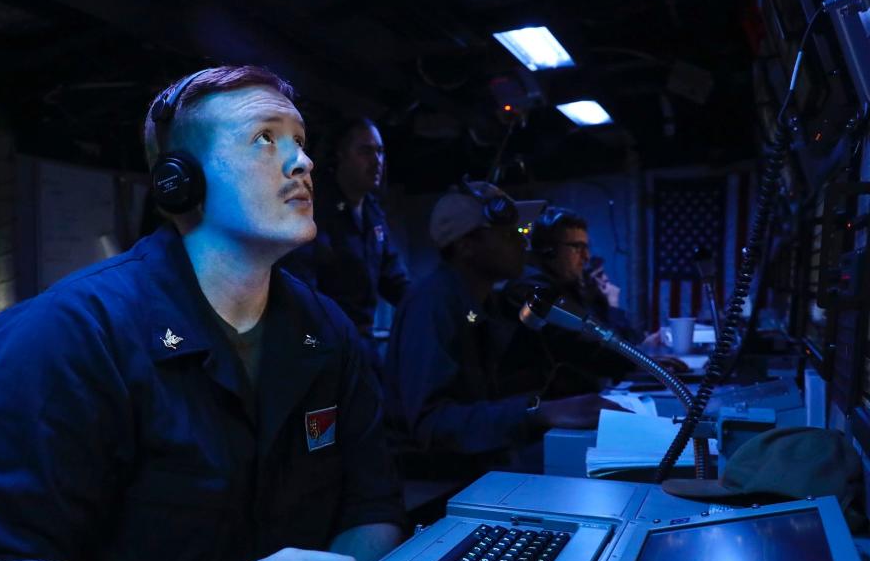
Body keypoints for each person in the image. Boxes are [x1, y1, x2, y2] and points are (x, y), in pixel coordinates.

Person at [0, 66, 405, 561]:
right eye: (265, 139)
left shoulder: (329, 331)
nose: (302, 163)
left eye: (301, 141)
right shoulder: (65, 333)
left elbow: (373, 508)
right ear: (180, 183)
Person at [383, 181, 624, 482]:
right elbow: (432, 424)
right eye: (509, 235)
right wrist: (538, 412)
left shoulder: (487, 303)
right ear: (466, 245)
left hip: (479, 465)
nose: (523, 244)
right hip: (433, 483)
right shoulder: (432, 304)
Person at [503, 207, 683, 393]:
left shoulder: (569, 287)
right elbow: (576, 346)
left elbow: (606, 334)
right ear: (549, 250)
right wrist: (638, 361)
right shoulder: (532, 289)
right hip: (548, 406)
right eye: (576, 247)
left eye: (586, 247)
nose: (586, 257)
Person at [280, 117, 410, 365]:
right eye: (365, 151)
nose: (377, 161)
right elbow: (303, 292)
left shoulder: (374, 215)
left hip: (362, 344)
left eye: (380, 152)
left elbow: (394, 280)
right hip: (325, 346)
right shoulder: (314, 210)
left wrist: (428, 308)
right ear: (341, 155)